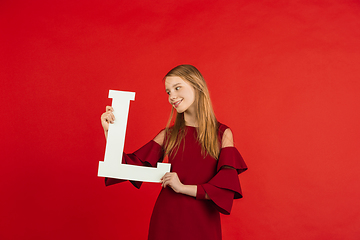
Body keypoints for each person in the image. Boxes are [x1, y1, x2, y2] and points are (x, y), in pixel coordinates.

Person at [100, 64, 247, 240]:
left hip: (203, 223)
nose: (172, 96)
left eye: (177, 88)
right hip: (167, 220)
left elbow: (224, 190)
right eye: (168, 92)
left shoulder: (222, 134)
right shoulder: (169, 135)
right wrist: (110, 133)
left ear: (197, 86)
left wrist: (183, 188)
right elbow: (128, 167)